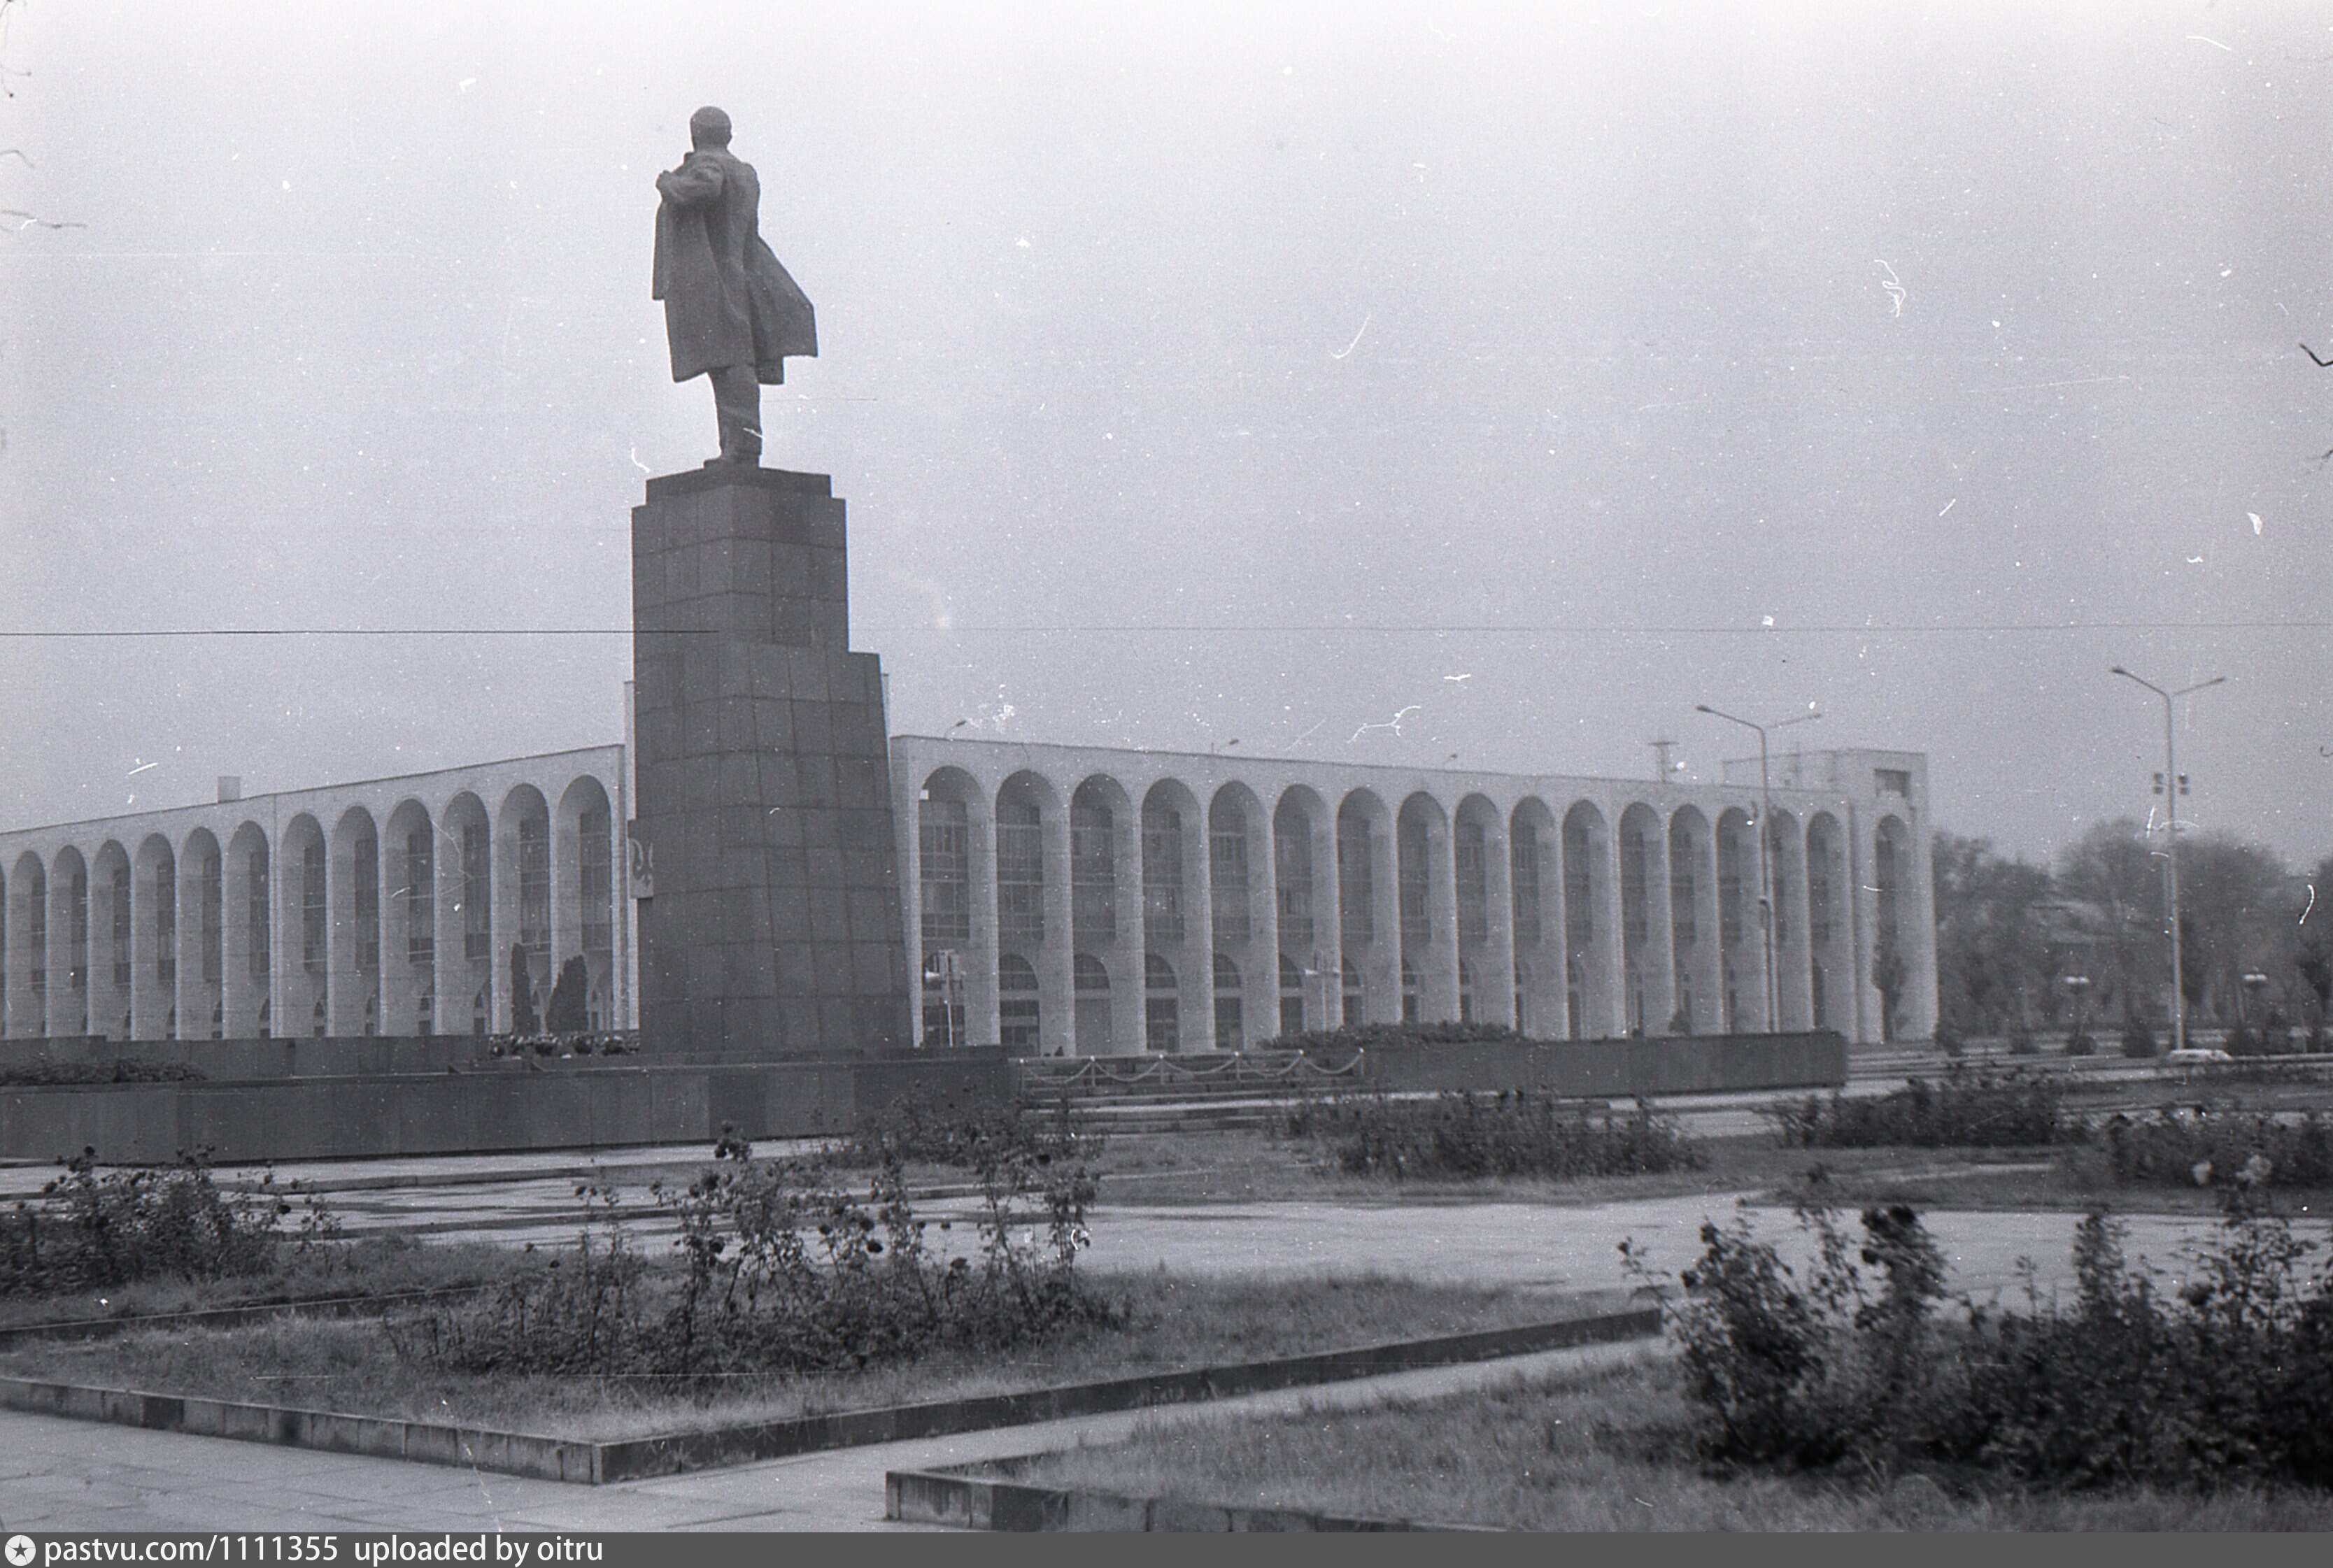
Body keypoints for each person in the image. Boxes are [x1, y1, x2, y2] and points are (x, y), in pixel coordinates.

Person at [652, 106, 817, 465]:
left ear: (696, 134)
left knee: (730, 364)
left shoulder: (708, 165)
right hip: (743, 274)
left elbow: (706, 188)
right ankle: (738, 446)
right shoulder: (744, 171)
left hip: (715, 278)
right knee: (732, 364)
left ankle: (741, 447)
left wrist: (669, 185)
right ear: (728, 134)